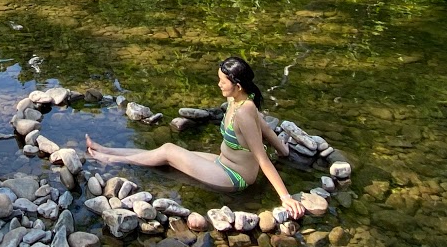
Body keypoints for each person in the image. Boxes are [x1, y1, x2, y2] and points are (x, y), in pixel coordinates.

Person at [85, 56, 306, 220]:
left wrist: (285, 197)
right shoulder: (237, 100)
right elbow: (265, 128)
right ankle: (107, 150)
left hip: (234, 178)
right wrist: (284, 152)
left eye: (223, 81)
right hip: (222, 163)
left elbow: (261, 157)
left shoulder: (245, 111)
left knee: (170, 150)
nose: (219, 84)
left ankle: (112, 159)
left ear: (237, 86)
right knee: (163, 152)